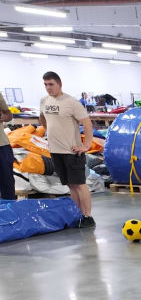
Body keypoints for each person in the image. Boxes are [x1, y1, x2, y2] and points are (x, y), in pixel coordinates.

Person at [40, 71, 94, 228]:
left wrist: (86, 145)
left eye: (51, 84)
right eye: (45, 85)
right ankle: (78, 215)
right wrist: (49, 133)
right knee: (71, 185)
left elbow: (87, 123)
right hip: (55, 151)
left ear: (59, 84)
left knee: (80, 184)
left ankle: (87, 216)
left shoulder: (71, 102)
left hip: (72, 151)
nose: (48, 87)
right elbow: (43, 118)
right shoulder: (44, 101)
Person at [0, 91, 15, 201]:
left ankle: (10, 208)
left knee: (7, 182)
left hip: (2, 144)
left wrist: (4, 117)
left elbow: (9, 115)